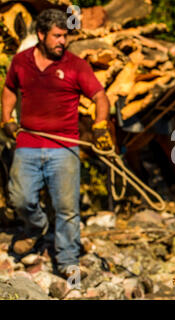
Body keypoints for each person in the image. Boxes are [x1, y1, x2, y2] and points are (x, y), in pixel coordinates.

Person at [0, 9, 113, 278]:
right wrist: (6, 118)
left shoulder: (76, 65)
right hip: (27, 142)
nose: (63, 41)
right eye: (57, 36)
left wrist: (99, 125)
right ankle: (37, 226)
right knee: (20, 198)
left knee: (67, 209)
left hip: (64, 149)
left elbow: (100, 96)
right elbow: (8, 89)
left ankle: (67, 260)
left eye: (65, 36)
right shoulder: (20, 62)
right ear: (41, 35)